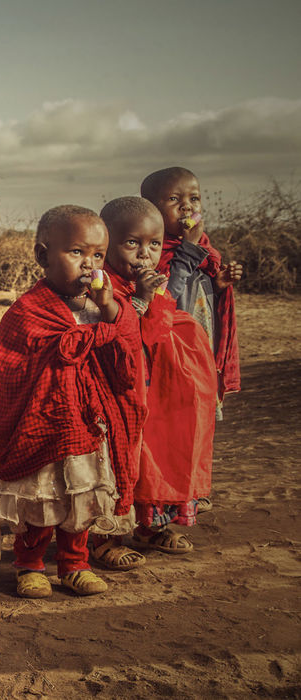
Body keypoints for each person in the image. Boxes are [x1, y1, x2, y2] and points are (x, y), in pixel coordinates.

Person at [0, 205, 146, 598]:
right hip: (44, 426)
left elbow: (127, 352)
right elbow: (37, 358)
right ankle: (30, 565)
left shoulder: (102, 307)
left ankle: (75, 564)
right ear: (43, 256)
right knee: (42, 497)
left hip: (90, 423)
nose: (89, 266)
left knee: (83, 496)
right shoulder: (28, 311)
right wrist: (104, 331)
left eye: (98, 256)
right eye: (76, 253)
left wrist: (109, 310)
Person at [90, 197, 218, 567]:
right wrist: (143, 301)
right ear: (106, 245)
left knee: (153, 457)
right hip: (113, 395)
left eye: (154, 245)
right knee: (114, 464)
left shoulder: (146, 281)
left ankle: (149, 526)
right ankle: (103, 537)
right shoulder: (101, 286)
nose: (144, 254)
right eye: (132, 244)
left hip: (152, 394)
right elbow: (117, 331)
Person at [141, 167, 243, 513]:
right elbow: (166, 298)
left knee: (193, 432)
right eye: (174, 200)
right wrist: (187, 250)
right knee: (167, 434)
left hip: (198, 359)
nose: (187, 207)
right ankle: (158, 514)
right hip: (169, 361)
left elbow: (199, 304)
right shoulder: (154, 254)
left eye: (193, 198)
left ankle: (184, 501)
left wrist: (219, 284)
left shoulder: (203, 251)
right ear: (151, 210)